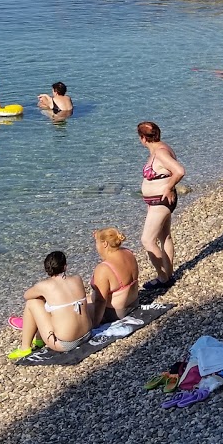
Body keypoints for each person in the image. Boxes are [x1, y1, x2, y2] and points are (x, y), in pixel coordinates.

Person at [9, 251, 91, 361]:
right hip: (87, 333)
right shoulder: (77, 279)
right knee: (54, 306)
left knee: (32, 303)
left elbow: (27, 295)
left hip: (65, 343)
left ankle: (25, 348)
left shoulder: (44, 286)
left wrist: (43, 295)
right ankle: (38, 339)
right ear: (65, 266)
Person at [137, 121, 183, 289]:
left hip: (161, 202)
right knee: (165, 237)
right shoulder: (160, 149)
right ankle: (169, 275)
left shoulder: (161, 152)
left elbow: (179, 171)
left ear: (143, 138)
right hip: (158, 202)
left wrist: (169, 187)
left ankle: (163, 277)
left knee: (147, 240)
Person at [89, 227, 139, 324]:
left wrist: (95, 325)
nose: (96, 246)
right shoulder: (128, 252)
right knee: (83, 299)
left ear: (105, 244)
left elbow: (100, 301)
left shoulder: (103, 269)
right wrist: (99, 235)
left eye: (96, 243)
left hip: (115, 313)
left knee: (75, 312)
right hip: (133, 303)